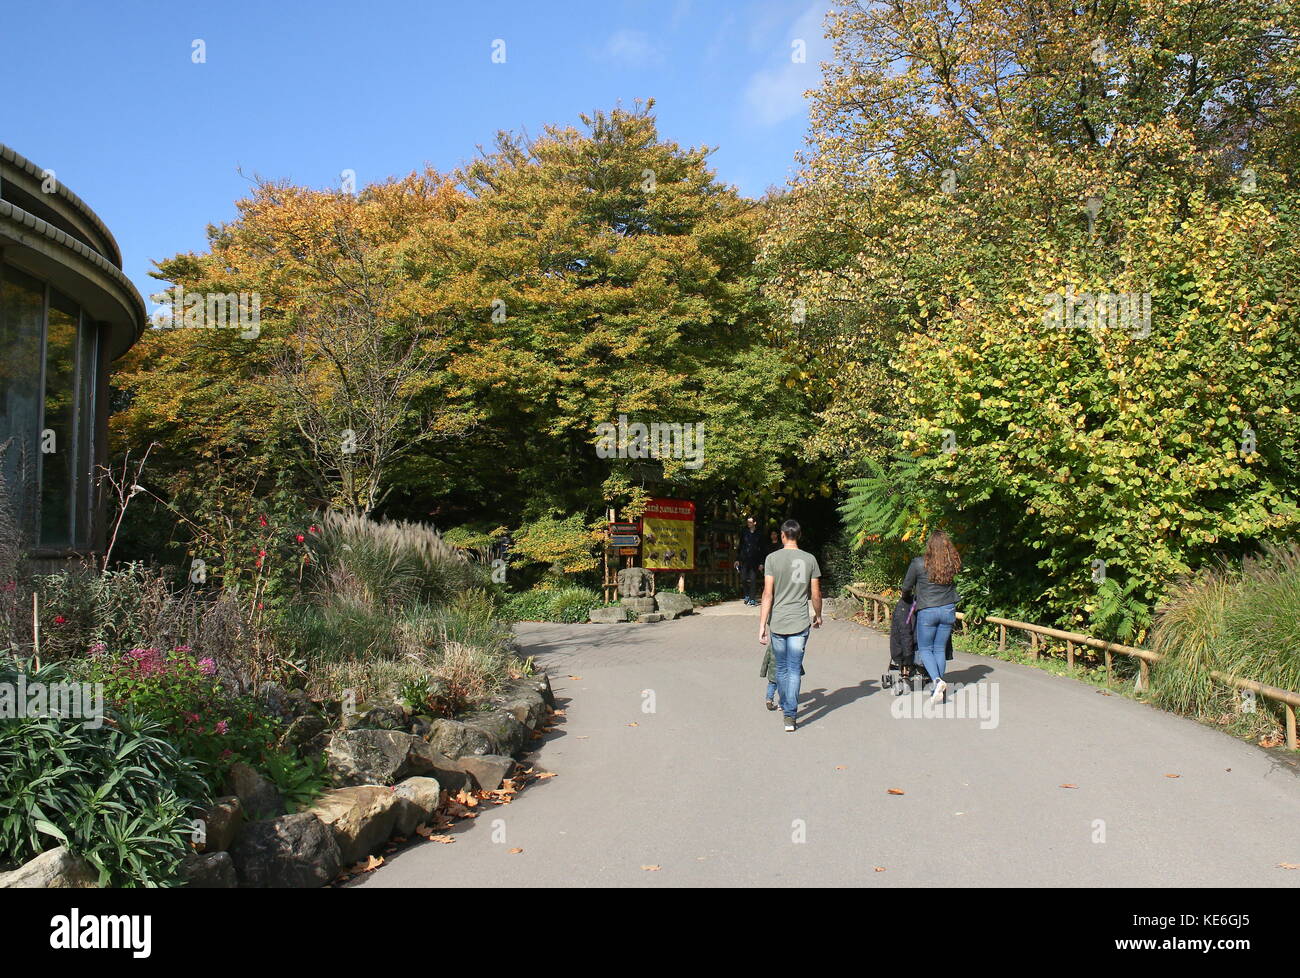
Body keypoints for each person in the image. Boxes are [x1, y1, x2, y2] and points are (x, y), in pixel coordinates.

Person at [758, 519, 822, 732]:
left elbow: (768, 593)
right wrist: (818, 615)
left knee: (783, 668)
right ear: (799, 535)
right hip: (800, 621)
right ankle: (790, 716)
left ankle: (786, 706)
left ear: (783, 536)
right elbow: (815, 593)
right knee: (794, 669)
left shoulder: (772, 559)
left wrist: (761, 625)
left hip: (778, 622)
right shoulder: (810, 559)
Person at [900, 530, 961, 704]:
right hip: (948, 609)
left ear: (929, 545)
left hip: (927, 609)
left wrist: (906, 598)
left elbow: (907, 587)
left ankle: (937, 681)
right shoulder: (952, 563)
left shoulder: (919, 563)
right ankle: (937, 690)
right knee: (940, 649)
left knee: (926, 649)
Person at [735, 516, 765, 606]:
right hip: (744, 560)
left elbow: (762, 549)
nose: (748, 524)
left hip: (755, 560)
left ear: (754, 523)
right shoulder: (744, 533)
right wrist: (737, 559)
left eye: (750, 522)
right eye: (748, 522)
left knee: (753, 579)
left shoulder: (759, 534)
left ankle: (752, 599)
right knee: (743, 579)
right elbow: (740, 546)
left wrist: (761, 563)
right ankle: (747, 595)